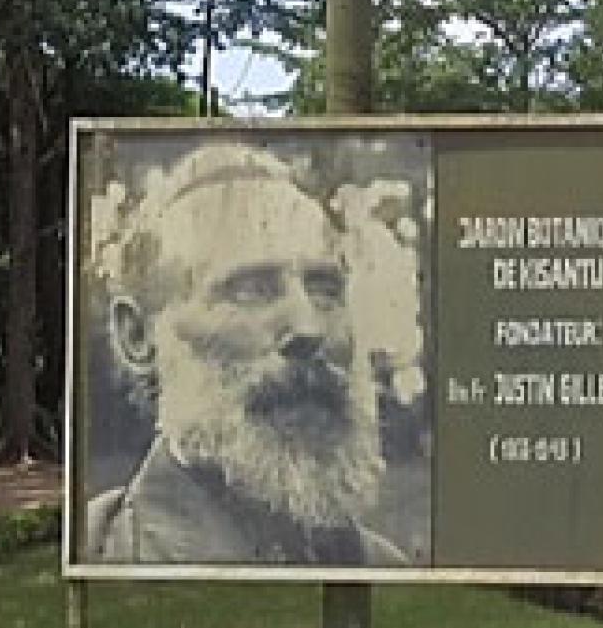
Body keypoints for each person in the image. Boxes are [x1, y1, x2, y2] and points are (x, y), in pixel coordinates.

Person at [84, 145, 408, 565]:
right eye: (251, 290)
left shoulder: (383, 566)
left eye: (326, 290)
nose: (308, 328)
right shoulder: (107, 555)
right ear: (138, 336)